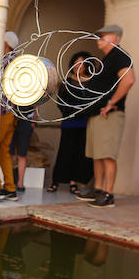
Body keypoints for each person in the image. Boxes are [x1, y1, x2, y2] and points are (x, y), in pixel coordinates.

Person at [75, 24, 135, 208]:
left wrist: (111, 103)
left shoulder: (119, 56)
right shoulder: (108, 59)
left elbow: (129, 79)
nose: (97, 39)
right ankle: (99, 190)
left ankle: (109, 195)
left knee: (107, 155)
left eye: (102, 36)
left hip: (109, 115)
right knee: (97, 155)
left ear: (115, 38)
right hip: (97, 115)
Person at [47, 51, 94, 194]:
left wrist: (83, 112)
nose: (77, 67)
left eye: (80, 64)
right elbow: (61, 103)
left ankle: (74, 183)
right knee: (64, 152)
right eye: (75, 64)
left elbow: (92, 103)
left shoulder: (91, 83)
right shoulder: (66, 83)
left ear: (86, 65)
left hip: (84, 124)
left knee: (79, 154)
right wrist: (72, 111)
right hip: (69, 122)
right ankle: (56, 181)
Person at [0, 31, 21, 201]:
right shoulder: (17, 61)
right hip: (12, 112)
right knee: (3, 151)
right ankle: (10, 188)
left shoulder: (5, 61)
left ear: (5, 44)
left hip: (4, 111)